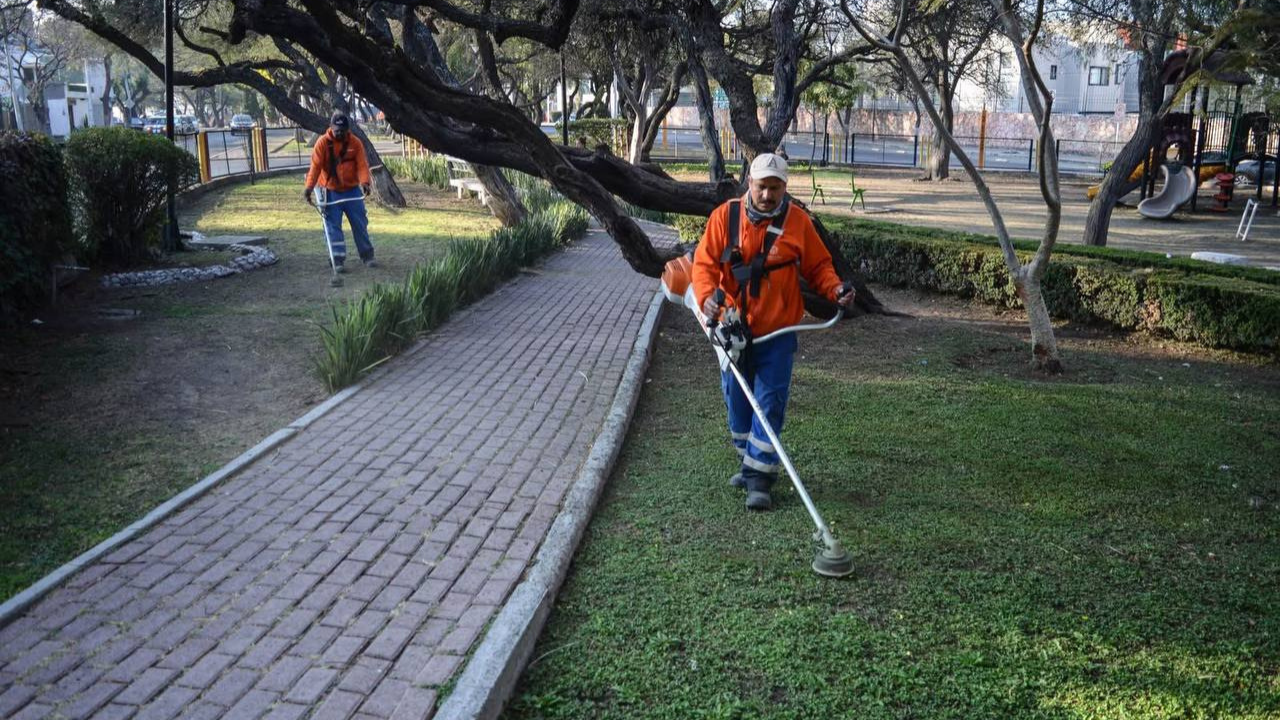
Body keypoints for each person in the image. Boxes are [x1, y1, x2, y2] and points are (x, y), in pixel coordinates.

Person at [691, 153, 855, 511]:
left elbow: (820, 267)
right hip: (733, 330)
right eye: (762, 186)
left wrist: (835, 290)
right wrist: (706, 299)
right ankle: (749, 461)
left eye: (775, 188)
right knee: (737, 401)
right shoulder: (725, 218)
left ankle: (759, 479)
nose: (767, 195)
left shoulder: (798, 223)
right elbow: (703, 266)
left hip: (778, 332)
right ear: (749, 183)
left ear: (785, 188)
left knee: (769, 403)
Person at [304, 110, 376, 271]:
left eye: (343, 131)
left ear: (348, 130)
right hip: (330, 192)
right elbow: (315, 168)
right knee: (332, 226)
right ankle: (337, 259)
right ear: (330, 128)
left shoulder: (355, 143)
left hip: (352, 191)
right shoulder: (322, 143)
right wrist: (309, 188)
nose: (340, 134)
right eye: (337, 131)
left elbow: (362, 165)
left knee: (360, 224)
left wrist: (365, 182)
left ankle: (367, 256)